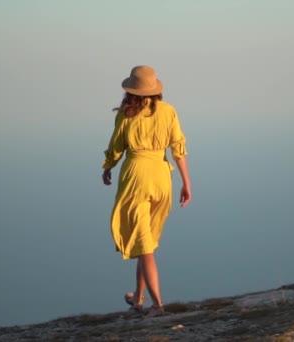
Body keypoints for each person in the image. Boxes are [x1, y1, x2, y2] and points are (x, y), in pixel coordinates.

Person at [101, 65, 191, 317]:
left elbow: (116, 146)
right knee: (147, 240)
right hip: (162, 177)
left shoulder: (126, 115)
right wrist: (186, 183)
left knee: (145, 246)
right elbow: (179, 149)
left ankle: (158, 306)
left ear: (131, 90)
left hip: (136, 178)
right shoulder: (168, 111)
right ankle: (138, 298)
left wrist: (108, 166)